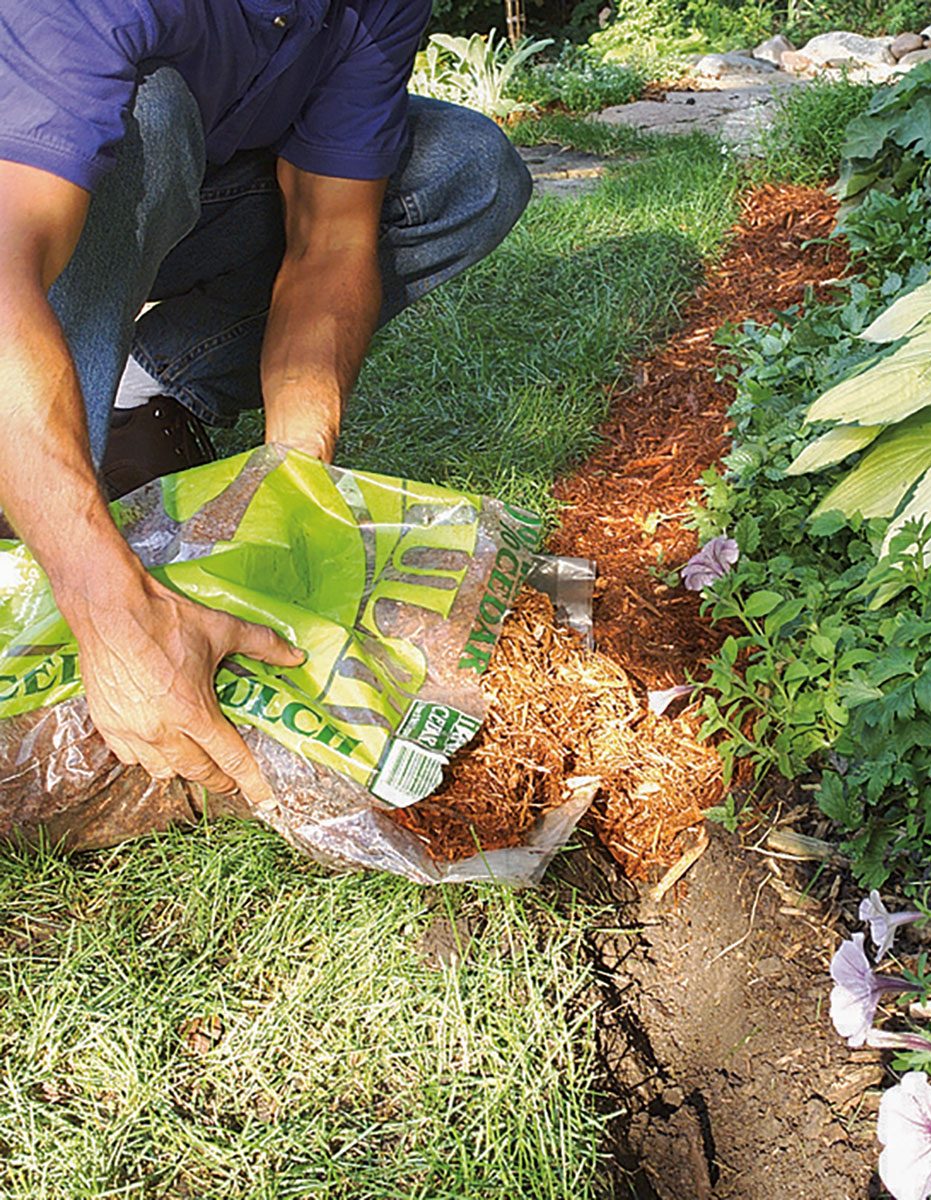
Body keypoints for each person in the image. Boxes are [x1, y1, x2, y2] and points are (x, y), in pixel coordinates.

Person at [0, 2, 533, 808]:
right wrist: (112, 619)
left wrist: (290, 488)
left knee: (462, 165)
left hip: (180, 187)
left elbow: (333, 240)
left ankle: (147, 396)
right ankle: (35, 512)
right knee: (154, 116)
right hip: (26, 195)